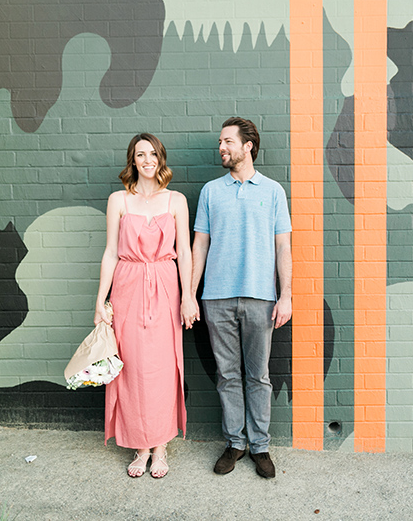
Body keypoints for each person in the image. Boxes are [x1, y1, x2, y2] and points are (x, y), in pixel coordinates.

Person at [191, 117, 292, 479]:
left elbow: (283, 246)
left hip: (261, 298)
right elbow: (199, 245)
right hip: (216, 298)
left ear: (248, 146)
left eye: (228, 141)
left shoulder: (273, 191)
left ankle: (261, 447)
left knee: (259, 377)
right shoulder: (210, 192)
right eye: (220, 142)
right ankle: (235, 443)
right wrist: (190, 293)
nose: (222, 147)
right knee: (228, 375)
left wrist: (286, 296)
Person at [94, 133, 197, 478]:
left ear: (161, 158)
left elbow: (184, 252)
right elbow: (110, 252)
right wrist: (100, 302)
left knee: (164, 367)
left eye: (153, 153)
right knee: (134, 367)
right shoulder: (118, 199)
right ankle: (140, 446)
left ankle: (161, 446)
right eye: (140, 154)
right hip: (128, 286)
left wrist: (188, 296)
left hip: (166, 287)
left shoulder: (176, 201)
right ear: (132, 160)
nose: (147, 160)